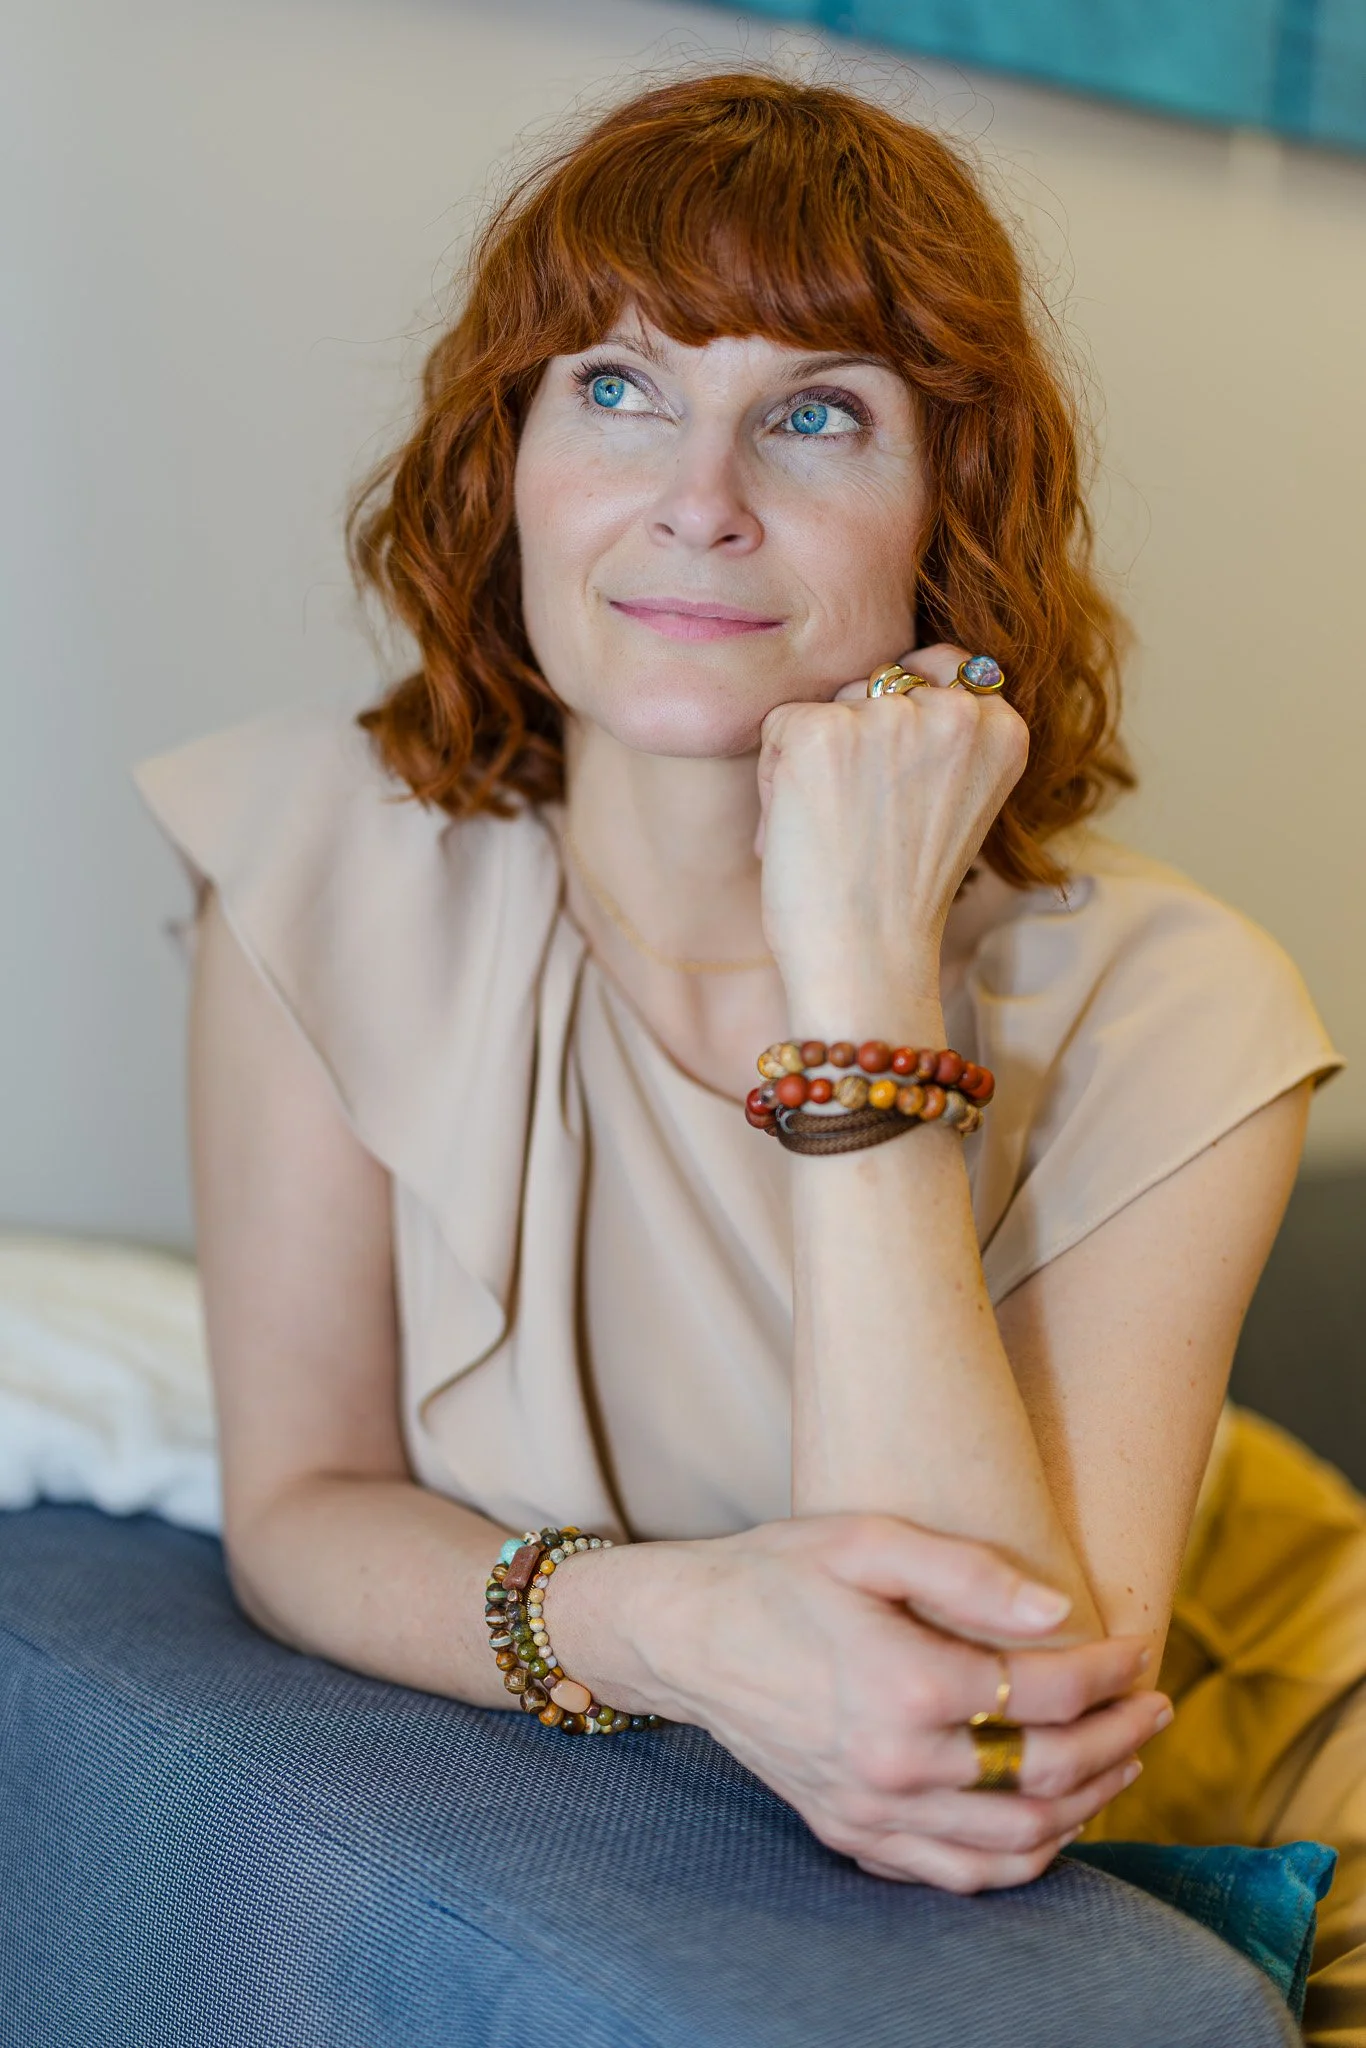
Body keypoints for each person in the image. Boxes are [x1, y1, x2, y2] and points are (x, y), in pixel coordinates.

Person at [132, 72, 1363, 2041]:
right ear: (506, 459)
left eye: (815, 412)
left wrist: (857, 968)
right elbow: (306, 1498)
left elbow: (969, 1740)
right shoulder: (317, 866)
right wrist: (663, 1625)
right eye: (615, 384)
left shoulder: (1172, 1003)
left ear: (942, 518)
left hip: (1267, 1800)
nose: (697, 494)